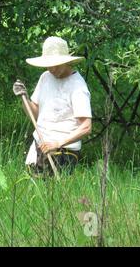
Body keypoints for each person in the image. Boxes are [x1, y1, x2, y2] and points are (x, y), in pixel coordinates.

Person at [13, 36, 92, 175]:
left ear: (66, 62)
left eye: (56, 64)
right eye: (49, 64)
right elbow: (36, 114)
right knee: (35, 193)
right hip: (39, 146)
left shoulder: (77, 87)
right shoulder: (45, 77)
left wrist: (57, 143)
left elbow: (86, 126)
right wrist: (24, 97)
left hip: (64, 153)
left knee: (54, 194)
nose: (52, 68)